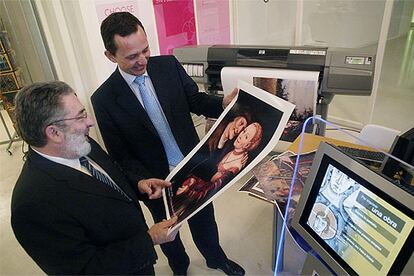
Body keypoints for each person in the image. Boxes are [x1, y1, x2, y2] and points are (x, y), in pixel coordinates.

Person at [91, 12, 244, 276]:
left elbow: (195, 101)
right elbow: (120, 155)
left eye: (145, 50)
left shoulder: (168, 66)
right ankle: (179, 267)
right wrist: (140, 181)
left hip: (194, 163)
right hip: (155, 180)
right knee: (167, 231)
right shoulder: (104, 99)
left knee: (205, 218)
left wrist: (222, 103)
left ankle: (215, 258)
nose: (142, 60)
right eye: (131, 56)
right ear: (110, 56)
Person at [10, 81, 179, 275]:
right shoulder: (32, 205)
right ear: (54, 133)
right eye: (81, 116)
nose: (90, 121)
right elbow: (85, 269)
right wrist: (149, 240)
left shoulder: (80, 144)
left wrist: (137, 184)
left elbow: (109, 176)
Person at [172, 123, 263, 219]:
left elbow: (213, 185)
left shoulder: (236, 165)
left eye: (246, 136)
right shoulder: (230, 146)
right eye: (244, 131)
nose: (240, 135)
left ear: (248, 144)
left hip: (199, 192)